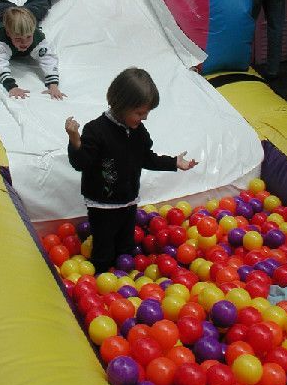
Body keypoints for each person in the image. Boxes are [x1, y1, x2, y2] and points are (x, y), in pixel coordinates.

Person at [65, 68, 199, 273]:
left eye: (147, 112)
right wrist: (75, 140)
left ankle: (125, 278)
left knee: (126, 246)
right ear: (120, 105)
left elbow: (146, 157)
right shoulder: (96, 130)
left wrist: (173, 163)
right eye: (139, 113)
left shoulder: (137, 131)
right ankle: (102, 281)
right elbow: (81, 163)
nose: (144, 118)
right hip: (102, 205)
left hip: (128, 201)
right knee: (104, 249)